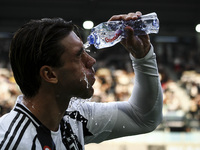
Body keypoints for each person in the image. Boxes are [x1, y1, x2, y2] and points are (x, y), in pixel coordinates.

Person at [0, 11, 163, 150]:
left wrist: (142, 56)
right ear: (50, 75)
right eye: (79, 55)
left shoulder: (72, 116)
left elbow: (143, 117)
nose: (91, 61)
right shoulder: (13, 143)